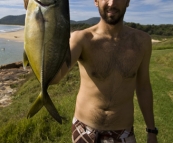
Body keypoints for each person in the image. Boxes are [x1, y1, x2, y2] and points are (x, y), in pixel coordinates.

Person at [24, 0, 158, 142]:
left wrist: (151, 130)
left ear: (127, 2)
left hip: (122, 132)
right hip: (84, 129)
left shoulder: (142, 41)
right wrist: (34, 28)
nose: (112, 3)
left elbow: (143, 87)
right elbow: (55, 78)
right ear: (96, 2)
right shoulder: (82, 39)